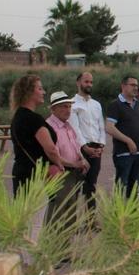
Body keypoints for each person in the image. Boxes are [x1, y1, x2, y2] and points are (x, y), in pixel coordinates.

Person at [8, 74, 62, 196]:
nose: (43, 92)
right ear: (28, 92)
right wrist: (59, 164)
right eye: (39, 88)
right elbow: (51, 149)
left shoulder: (17, 117)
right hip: (36, 174)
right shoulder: (33, 119)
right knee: (38, 213)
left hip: (21, 172)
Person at [44, 91, 91, 222]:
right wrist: (75, 164)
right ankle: (52, 241)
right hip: (60, 173)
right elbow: (53, 155)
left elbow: (75, 146)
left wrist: (82, 159)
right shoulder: (49, 127)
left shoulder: (68, 125)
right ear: (53, 109)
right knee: (58, 212)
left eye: (69, 106)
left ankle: (67, 242)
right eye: (64, 106)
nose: (68, 110)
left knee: (70, 213)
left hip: (73, 173)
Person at [104, 75, 139, 195]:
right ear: (123, 86)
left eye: (137, 85)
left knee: (134, 189)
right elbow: (109, 127)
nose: (135, 88)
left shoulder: (138, 104)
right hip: (123, 154)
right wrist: (128, 141)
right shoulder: (115, 105)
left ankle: (132, 214)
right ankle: (119, 213)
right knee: (121, 188)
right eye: (132, 85)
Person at [71, 72, 106, 205]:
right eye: (86, 82)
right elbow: (75, 128)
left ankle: (90, 222)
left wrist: (101, 145)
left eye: (91, 82)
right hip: (81, 149)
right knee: (76, 186)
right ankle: (72, 220)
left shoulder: (96, 104)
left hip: (96, 149)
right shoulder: (73, 104)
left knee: (91, 186)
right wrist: (85, 147)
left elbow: (101, 126)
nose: (89, 84)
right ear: (78, 83)